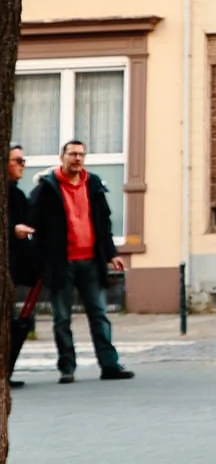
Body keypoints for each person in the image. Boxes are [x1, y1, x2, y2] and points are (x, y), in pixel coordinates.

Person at [29, 140, 132, 384]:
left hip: (90, 262)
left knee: (99, 315)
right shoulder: (47, 187)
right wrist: (40, 260)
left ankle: (109, 365)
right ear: (61, 157)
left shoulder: (93, 184)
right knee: (62, 318)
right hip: (61, 264)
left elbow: (103, 223)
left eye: (81, 154)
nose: (77, 158)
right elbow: (33, 223)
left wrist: (111, 254)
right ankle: (67, 367)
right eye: (73, 154)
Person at [7, 144, 39, 382]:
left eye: (23, 161)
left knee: (13, 322)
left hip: (15, 268)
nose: (22, 165)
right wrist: (12, 230)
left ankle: (6, 372)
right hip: (8, 265)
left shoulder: (17, 193)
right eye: (17, 160)